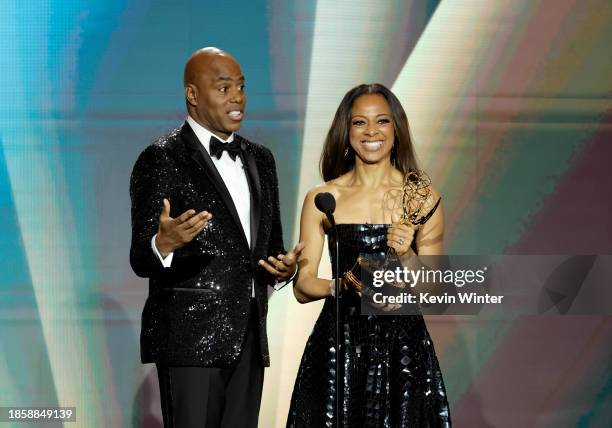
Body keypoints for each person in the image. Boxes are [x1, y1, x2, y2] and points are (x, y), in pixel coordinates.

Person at [129, 47, 303, 428]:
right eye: (223, 88)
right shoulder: (161, 158)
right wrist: (164, 244)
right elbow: (140, 257)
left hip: (250, 335)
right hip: (190, 337)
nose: (237, 97)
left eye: (240, 87)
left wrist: (282, 267)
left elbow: (268, 245)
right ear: (193, 95)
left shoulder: (261, 160)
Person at [286, 83, 451, 427]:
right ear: (346, 132)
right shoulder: (323, 198)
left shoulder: (420, 197)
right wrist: (341, 286)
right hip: (339, 346)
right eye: (360, 122)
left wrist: (406, 256)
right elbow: (302, 286)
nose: (372, 131)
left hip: (402, 352)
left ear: (396, 129)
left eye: (382, 122)